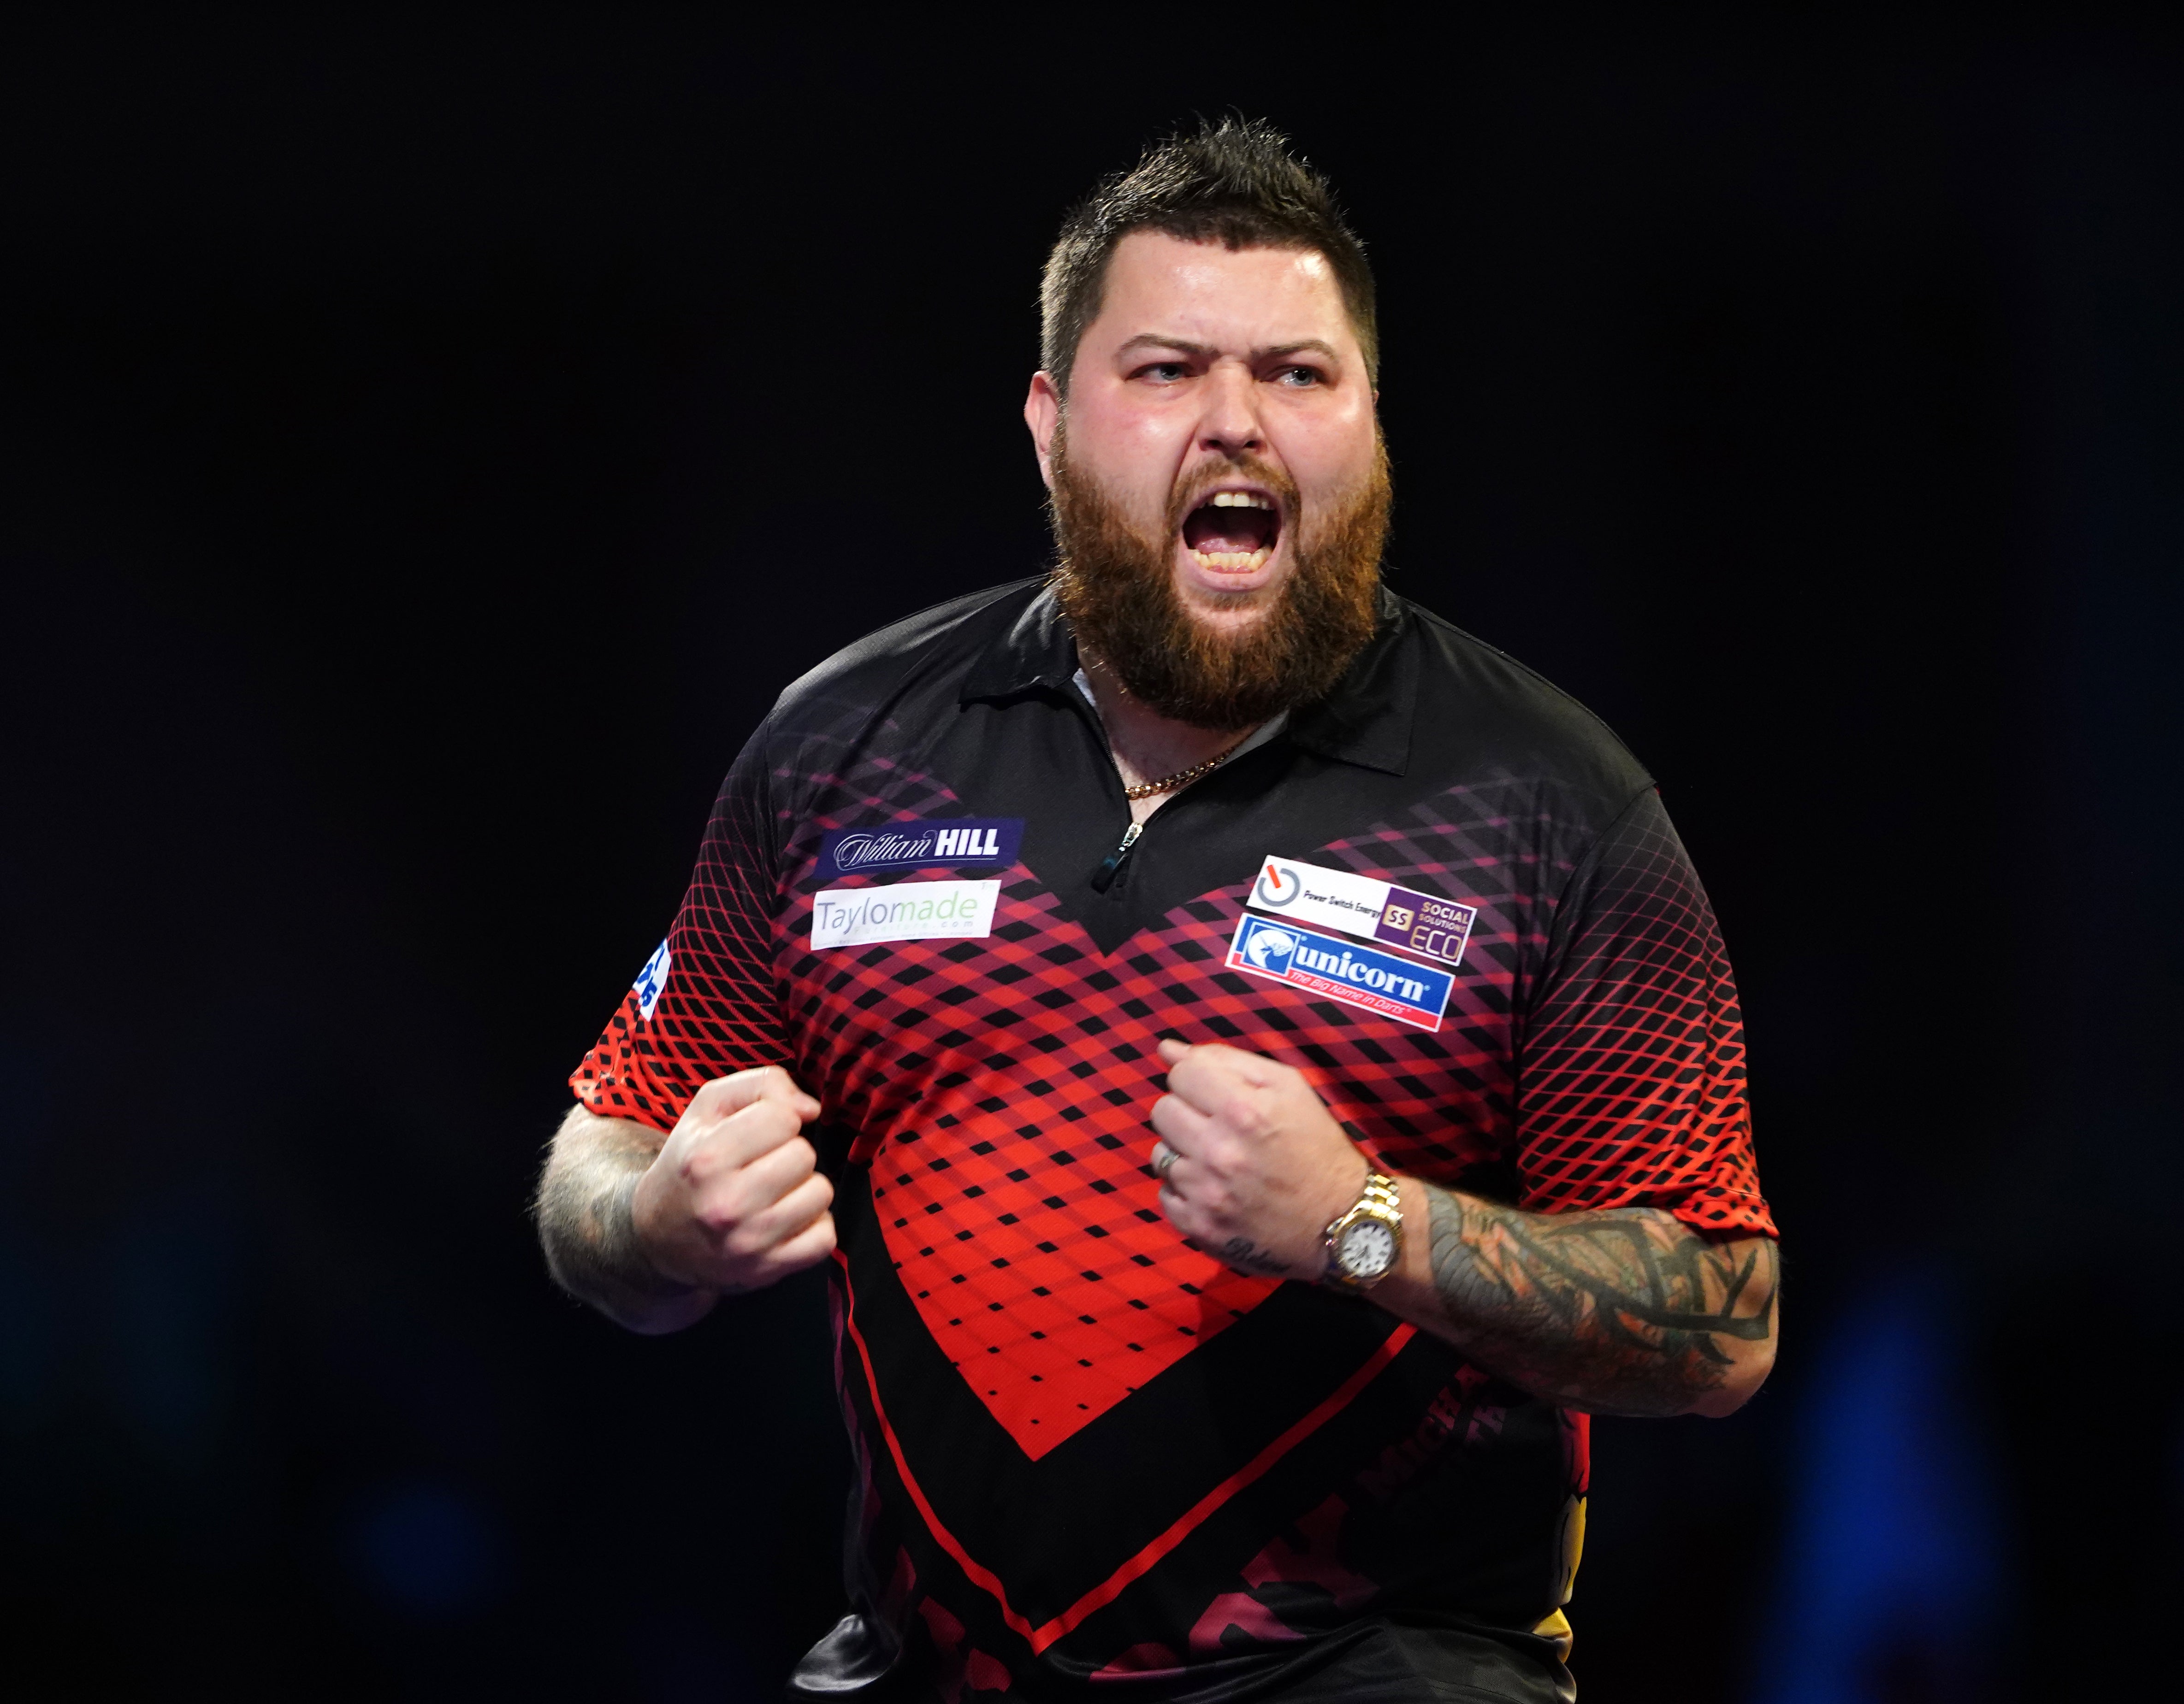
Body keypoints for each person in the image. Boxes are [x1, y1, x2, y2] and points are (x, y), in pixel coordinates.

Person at [534, 118, 1778, 1704]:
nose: (1237, 424)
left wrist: (1363, 1224)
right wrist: (655, 1222)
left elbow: (1724, 1322)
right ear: (1052, 424)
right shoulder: (841, 748)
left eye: (1298, 375)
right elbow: (605, 1145)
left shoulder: (1549, 803)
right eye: (1168, 370)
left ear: (1373, 423)